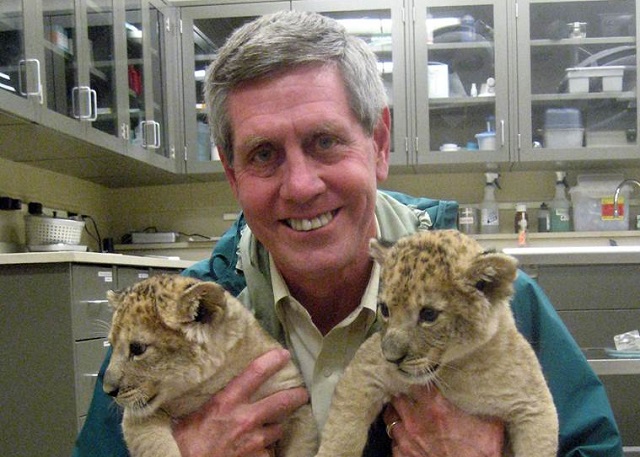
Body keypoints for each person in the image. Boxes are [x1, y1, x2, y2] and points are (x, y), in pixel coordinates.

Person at [74, 10, 622, 457]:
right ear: (231, 173)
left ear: (379, 144)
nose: (301, 185)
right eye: (264, 154)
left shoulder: (492, 298)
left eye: (324, 141)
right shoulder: (170, 322)